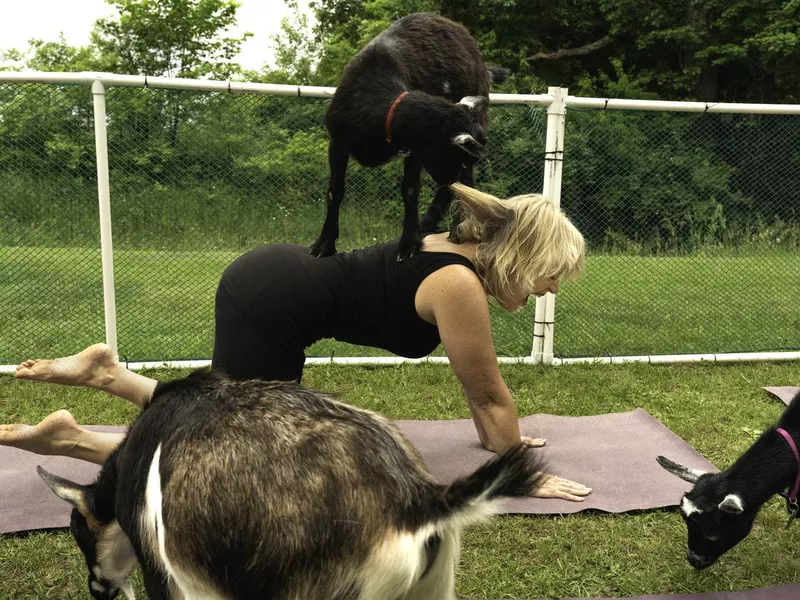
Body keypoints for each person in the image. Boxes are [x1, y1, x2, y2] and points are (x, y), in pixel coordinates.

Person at [1, 183, 591, 501]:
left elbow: (479, 391)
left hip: (272, 282)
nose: (549, 291)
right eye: (551, 276)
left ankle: (110, 375)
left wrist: (499, 442)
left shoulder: (455, 257)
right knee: (241, 459)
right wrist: (518, 471)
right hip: (273, 300)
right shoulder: (459, 283)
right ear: (521, 256)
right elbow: (488, 395)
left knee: (220, 418)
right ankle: (72, 440)